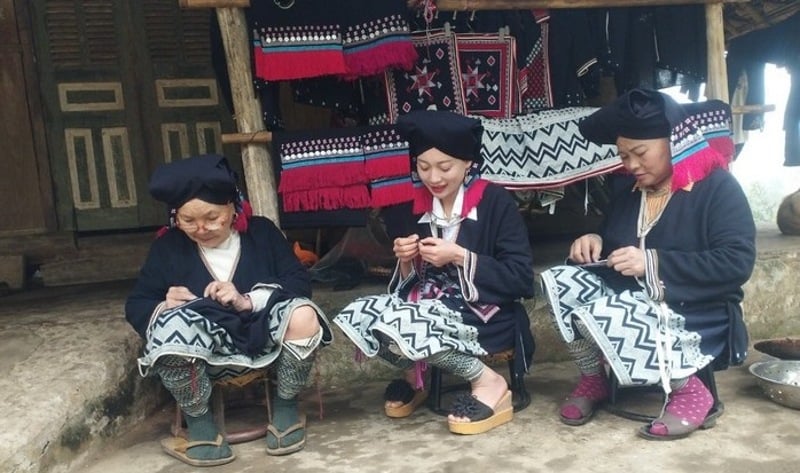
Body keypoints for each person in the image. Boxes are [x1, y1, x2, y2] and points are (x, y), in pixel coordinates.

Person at [540, 88, 756, 440]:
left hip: (697, 312)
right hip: (631, 304)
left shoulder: (718, 188)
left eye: (639, 153)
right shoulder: (629, 194)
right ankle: (594, 376)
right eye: (624, 156)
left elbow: (737, 261)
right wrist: (594, 242)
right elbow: (615, 248)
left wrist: (652, 263)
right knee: (561, 282)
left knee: (614, 309)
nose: (631, 165)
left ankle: (689, 390)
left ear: (674, 141)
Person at [334, 111, 535, 435]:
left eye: (445, 167)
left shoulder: (495, 202)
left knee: (406, 321)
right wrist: (405, 259)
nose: (434, 177)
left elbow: (521, 278)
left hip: (485, 314)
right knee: (361, 315)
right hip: (427, 307)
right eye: (423, 167)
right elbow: (408, 284)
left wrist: (459, 256)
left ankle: (487, 380)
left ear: (468, 163)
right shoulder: (412, 206)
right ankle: (418, 374)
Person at [125, 154, 332, 466]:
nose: (201, 228)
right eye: (187, 220)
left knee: (303, 314)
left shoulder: (262, 233)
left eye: (211, 217)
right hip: (205, 351)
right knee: (169, 324)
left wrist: (247, 299)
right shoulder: (168, 247)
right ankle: (201, 424)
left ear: (234, 208)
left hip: (264, 337)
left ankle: (286, 407)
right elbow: (137, 303)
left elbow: (298, 282)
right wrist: (164, 304)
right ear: (174, 218)